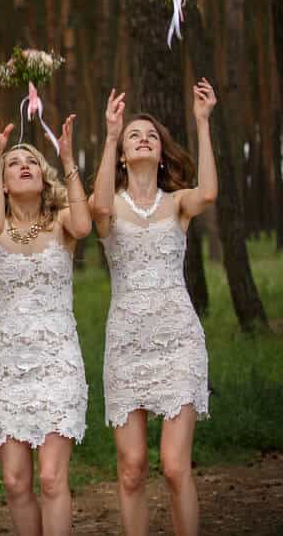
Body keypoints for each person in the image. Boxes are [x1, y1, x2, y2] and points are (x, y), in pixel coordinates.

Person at [90, 81, 217, 536]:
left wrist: (202, 122)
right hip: (126, 345)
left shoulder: (178, 203)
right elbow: (97, 208)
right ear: (124, 155)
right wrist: (108, 135)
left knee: (174, 466)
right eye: (133, 135)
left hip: (178, 340)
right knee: (131, 467)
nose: (143, 138)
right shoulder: (111, 206)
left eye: (151, 136)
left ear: (161, 153)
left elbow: (208, 193)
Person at [0, 110, 91, 535]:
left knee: (52, 478)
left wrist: (68, 156)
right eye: (14, 164)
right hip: (8, 366)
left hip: (58, 361)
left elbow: (85, 222)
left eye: (32, 161)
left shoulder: (62, 225)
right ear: (1, 183)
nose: (24, 166)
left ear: (44, 176)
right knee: (15, 481)